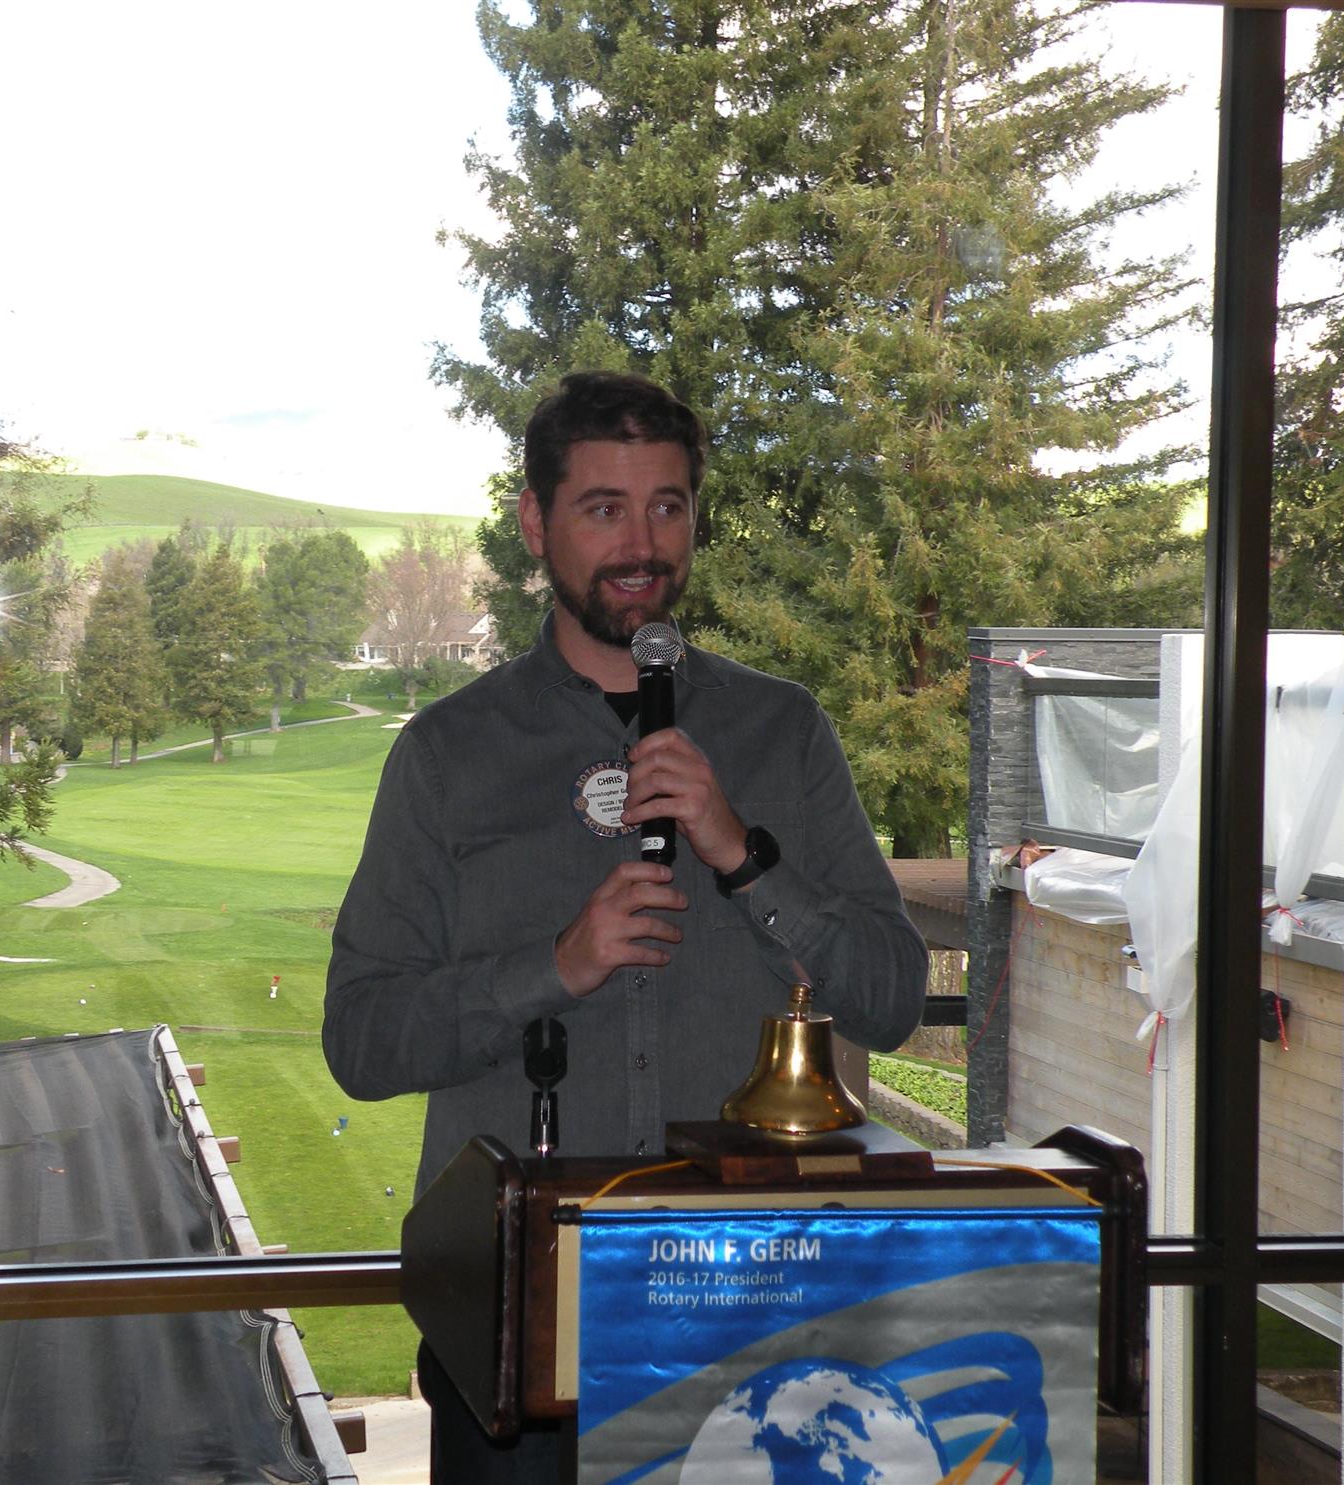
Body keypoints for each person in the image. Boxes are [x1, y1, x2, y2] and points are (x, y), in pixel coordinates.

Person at [322, 371, 928, 1481]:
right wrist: (552, 967)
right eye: (604, 508)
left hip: (750, 1341)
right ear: (534, 521)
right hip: (514, 1334)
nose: (641, 544)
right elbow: (361, 1042)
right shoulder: (448, 754)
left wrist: (742, 855)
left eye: (667, 506)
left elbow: (892, 997)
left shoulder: (784, 731)